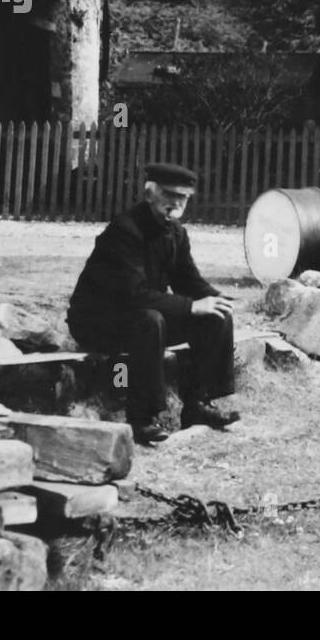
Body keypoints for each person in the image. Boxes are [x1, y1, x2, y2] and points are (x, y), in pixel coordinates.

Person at [66, 162, 241, 446]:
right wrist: (191, 306)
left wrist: (215, 298)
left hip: (139, 316)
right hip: (97, 321)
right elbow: (132, 295)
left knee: (216, 316)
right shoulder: (125, 230)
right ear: (150, 194)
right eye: (169, 195)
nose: (175, 203)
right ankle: (142, 419)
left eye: (182, 198)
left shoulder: (176, 232)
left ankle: (198, 404)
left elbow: (188, 280)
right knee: (151, 320)